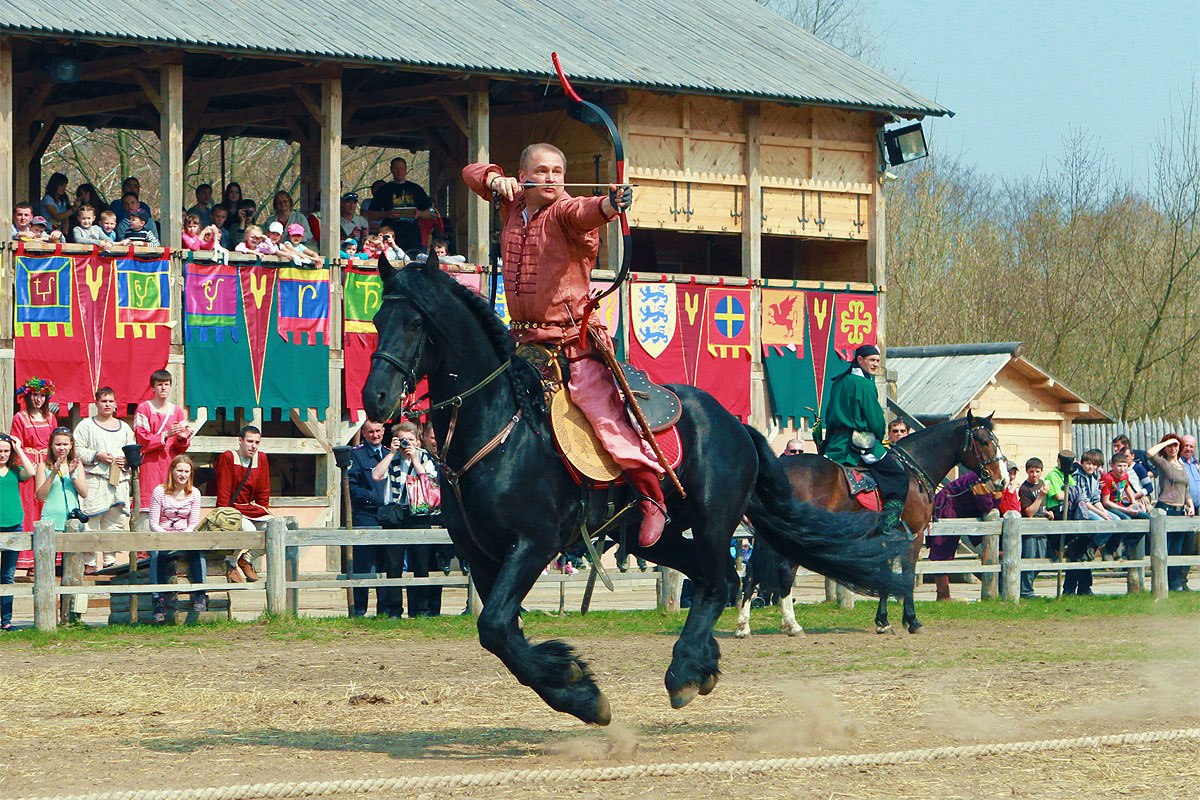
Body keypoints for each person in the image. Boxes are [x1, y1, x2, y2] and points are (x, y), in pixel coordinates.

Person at [464, 144, 668, 547]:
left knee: (604, 414)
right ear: (523, 175)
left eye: (559, 170)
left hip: (571, 343)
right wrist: (492, 178)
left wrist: (612, 204)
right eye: (542, 170)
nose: (553, 178)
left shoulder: (566, 211)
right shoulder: (512, 203)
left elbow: (588, 211)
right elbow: (470, 171)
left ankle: (650, 496)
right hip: (520, 342)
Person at [819, 343, 909, 538]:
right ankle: (888, 525)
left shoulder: (839, 381)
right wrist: (879, 435)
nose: (875, 364)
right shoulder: (864, 384)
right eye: (872, 360)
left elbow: (829, 415)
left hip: (835, 442)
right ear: (859, 360)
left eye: (877, 361)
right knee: (898, 476)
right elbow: (875, 419)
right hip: (857, 444)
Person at [372, 421, 442, 617]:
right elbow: (376, 476)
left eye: (410, 440)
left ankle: (421, 609)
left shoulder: (425, 457)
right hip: (394, 514)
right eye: (402, 440)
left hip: (418, 514)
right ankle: (394, 610)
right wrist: (392, 453)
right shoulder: (389, 457)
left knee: (421, 564)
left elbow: (430, 480)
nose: (406, 444)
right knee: (393, 566)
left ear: (418, 441)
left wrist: (414, 459)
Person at [74, 387, 136, 573]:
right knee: (92, 520)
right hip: (96, 479)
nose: (107, 404)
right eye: (103, 401)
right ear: (96, 403)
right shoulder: (86, 426)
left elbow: (132, 450)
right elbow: (76, 449)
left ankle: (110, 560)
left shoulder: (124, 427)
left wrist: (125, 460)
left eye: (110, 401)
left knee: (115, 521)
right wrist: (97, 455)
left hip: (118, 479)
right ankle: (89, 562)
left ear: (115, 404)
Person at [10, 377, 59, 576]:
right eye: (35, 395)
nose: (38, 399)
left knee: (47, 507)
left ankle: (47, 559)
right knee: (30, 508)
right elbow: (16, 446)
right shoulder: (20, 418)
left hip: (46, 464)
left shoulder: (50, 418)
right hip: (29, 464)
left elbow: (56, 441)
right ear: (28, 396)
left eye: (42, 395)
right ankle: (28, 560)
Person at [147, 455, 206, 620]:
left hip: (184, 536)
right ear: (172, 471)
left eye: (187, 471)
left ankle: (201, 592)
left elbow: (193, 522)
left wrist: (184, 537)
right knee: (157, 555)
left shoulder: (194, 493)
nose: (183, 475)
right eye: (179, 470)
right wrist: (166, 537)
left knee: (197, 551)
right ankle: (157, 598)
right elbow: (153, 522)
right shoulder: (159, 491)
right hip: (162, 535)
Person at [214, 425, 271, 582]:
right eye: (250, 441)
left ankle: (247, 559)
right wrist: (224, 514)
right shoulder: (229, 457)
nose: (253, 446)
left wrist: (263, 510)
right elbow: (224, 489)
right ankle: (230, 562)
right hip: (232, 509)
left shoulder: (262, 458)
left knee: (277, 529)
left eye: (257, 442)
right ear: (240, 441)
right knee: (249, 530)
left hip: (250, 508)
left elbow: (264, 490)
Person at [928, 469, 996, 601]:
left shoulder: (990, 482)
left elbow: (993, 505)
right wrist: (997, 493)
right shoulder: (978, 479)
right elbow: (986, 505)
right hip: (947, 507)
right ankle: (943, 594)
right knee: (942, 551)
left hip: (965, 511)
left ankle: (995, 588)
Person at [133, 370, 193, 515]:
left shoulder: (177, 411)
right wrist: (166, 434)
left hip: (171, 462)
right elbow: (142, 440)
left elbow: (181, 448)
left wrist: (182, 437)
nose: (163, 388)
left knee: (172, 503)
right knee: (150, 504)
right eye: (160, 384)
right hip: (150, 463)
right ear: (153, 388)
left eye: (166, 384)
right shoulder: (144, 408)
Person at [347, 419, 390, 617]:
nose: (375, 435)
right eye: (370, 431)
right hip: (366, 515)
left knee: (386, 563)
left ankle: (384, 609)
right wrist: (374, 497)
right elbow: (352, 488)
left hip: (388, 517)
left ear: (383, 431)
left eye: (378, 431)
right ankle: (359, 608)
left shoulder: (391, 454)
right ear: (363, 433)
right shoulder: (356, 455)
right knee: (363, 564)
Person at [1145, 434, 1196, 592]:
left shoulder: (1182, 466)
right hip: (1165, 509)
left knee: (1177, 549)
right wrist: (1167, 442)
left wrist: (1190, 504)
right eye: (1170, 446)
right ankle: (1162, 584)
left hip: (1180, 511)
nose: (1173, 448)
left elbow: (1185, 489)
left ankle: (1175, 584)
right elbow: (1149, 453)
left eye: (1176, 446)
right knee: (1163, 549)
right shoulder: (1163, 464)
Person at [0, 433, 37, 631]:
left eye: (6, 451)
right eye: (0, 451)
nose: (2, 455)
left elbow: (30, 472)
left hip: (14, 525)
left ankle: (6, 620)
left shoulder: (15, 471)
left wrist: (19, 448)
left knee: (7, 575)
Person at [371, 157, 433, 253]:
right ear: (391, 170)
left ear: (406, 169)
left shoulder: (416, 189)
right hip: (391, 236)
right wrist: (387, 214)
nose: (399, 171)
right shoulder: (384, 190)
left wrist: (419, 213)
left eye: (402, 168)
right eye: (396, 169)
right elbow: (371, 214)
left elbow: (431, 212)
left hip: (412, 236)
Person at [34, 427, 88, 534]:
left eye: (65, 444)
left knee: (73, 550)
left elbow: (84, 493)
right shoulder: (43, 466)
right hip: (50, 520)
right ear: (51, 446)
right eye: (58, 444)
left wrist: (73, 475)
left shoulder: (77, 464)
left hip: (73, 521)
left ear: (71, 445)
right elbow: (40, 496)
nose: (62, 448)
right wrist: (53, 473)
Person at [1017, 457, 1050, 598]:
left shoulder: (1042, 484)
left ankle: (1025, 586)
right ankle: (1026, 591)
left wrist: (1049, 512)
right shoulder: (1025, 489)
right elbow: (1029, 512)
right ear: (1026, 471)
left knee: (1040, 559)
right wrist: (1040, 496)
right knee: (1029, 559)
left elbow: (1043, 507)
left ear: (1042, 471)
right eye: (1031, 471)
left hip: (1042, 527)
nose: (1034, 474)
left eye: (1037, 471)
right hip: (1030, 529)